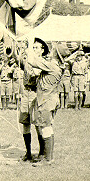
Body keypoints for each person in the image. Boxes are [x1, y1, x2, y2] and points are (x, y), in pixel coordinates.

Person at [26, 38, 63, 166]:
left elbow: (31, 61)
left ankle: (48, 159)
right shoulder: (55, 66)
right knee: (47, 127)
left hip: (46, 101)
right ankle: (48, 157)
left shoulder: (52, 65)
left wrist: (29, 44)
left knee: (46, 128)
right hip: (50, 100)